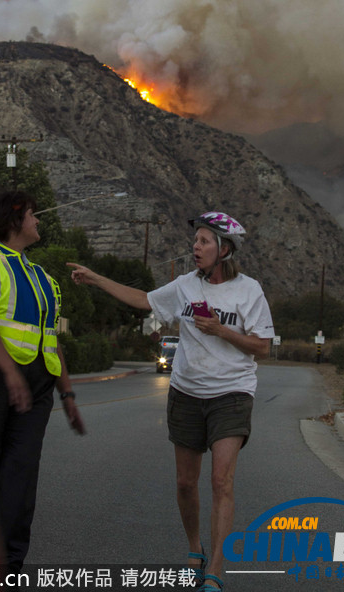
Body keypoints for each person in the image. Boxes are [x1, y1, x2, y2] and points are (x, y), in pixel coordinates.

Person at [68, 211, 273, 591]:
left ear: (225, 249)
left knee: (221, 480)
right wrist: (96, 278)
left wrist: (221, 330)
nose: (195, 248)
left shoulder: (249, 290)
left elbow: (262, 345)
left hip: (232, 393)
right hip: (186, 393)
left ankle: (215, 568)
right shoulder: (184, 286)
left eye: (204, 242)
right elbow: (144, 300)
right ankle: (195, 547)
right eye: (195, 241)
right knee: (185, 482)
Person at [0, 190, 85, 571]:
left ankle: (6, 568)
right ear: (13, 221)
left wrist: (68, 394)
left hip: (35, 387)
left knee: (19, 479)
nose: (38, 220)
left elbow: (50, 341)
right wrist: (10, 372)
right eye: (32, 214)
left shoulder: (42, 278)